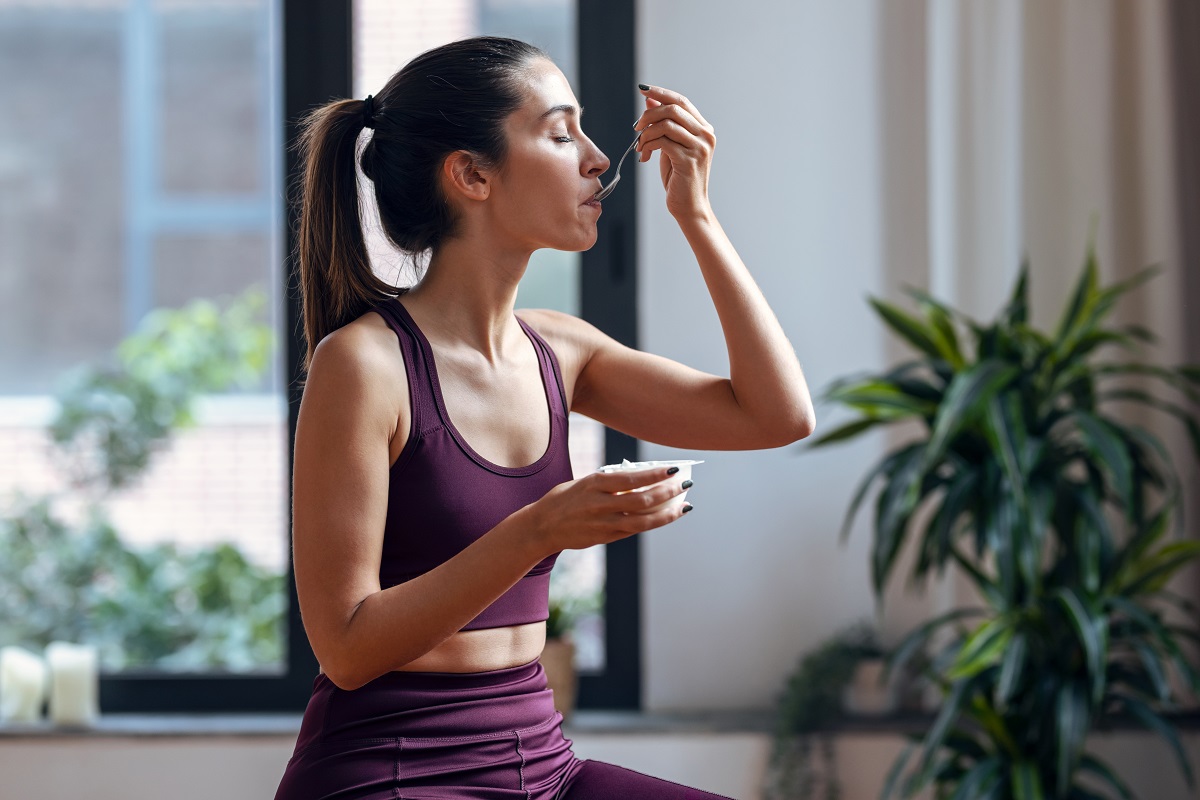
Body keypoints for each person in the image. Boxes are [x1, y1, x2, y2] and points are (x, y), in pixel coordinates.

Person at [275, 35, 814, 800]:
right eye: (562, 134)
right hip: (391, 770)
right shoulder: (364, 365)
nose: (597, 159)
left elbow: (776, 415)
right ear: (471, 174)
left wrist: (695, 215)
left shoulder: (562, 351)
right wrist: (542, 527)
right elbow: (348, 648)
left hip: (542, 762)